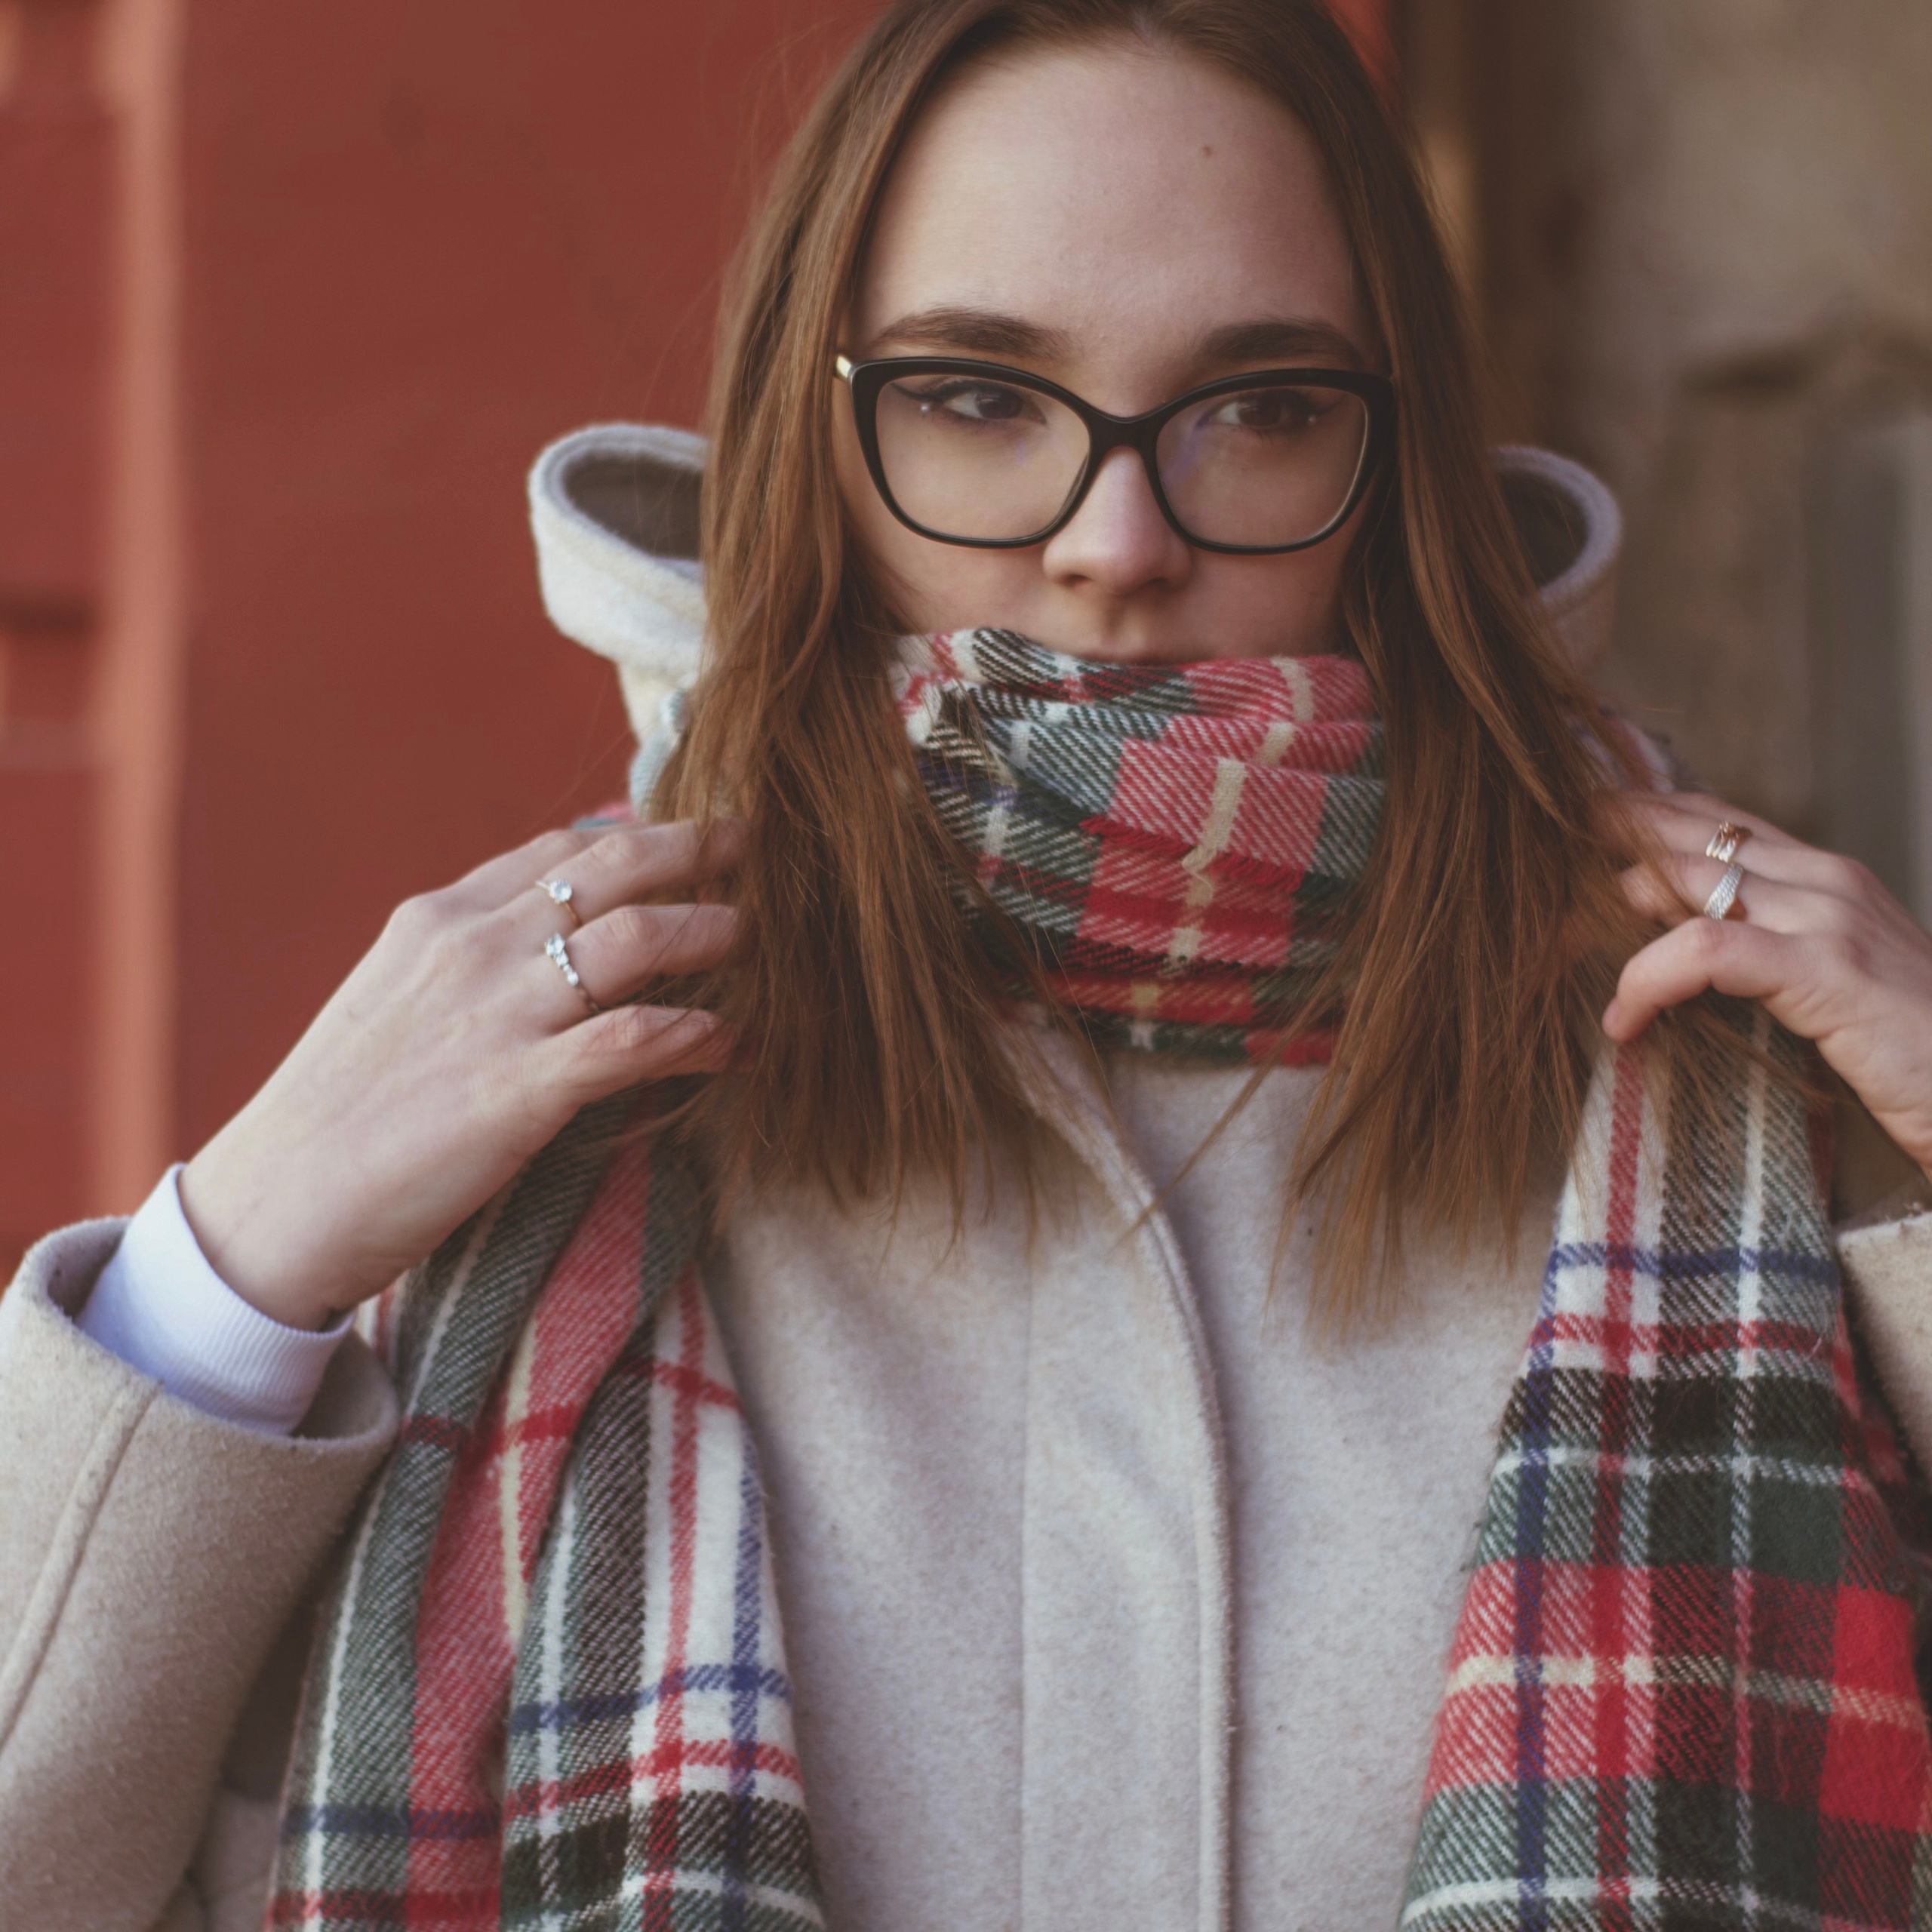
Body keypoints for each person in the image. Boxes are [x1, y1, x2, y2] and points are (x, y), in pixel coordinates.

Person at [5, 2, 1932, 1927]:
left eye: (1257, 408)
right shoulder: (530, 1109)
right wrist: (224, 1272)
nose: (1114, 540)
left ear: (1396, 458)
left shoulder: (1730, 1105)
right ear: (815, 440)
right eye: (977, 397)